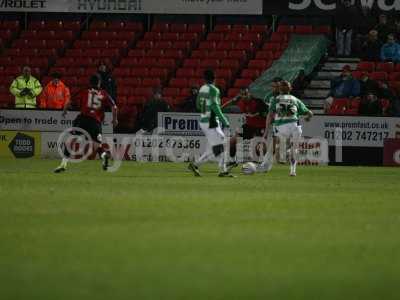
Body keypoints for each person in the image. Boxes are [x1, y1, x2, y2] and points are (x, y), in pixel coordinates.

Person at [54, 74, 118, 173]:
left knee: (70, 141)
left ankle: (63, 165)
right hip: (95, 122)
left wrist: (65, 110)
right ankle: (104, 156)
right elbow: (114, 107)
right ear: (99, 83)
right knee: (97, 146)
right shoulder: (104, 93)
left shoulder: (84, 90)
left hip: (83, 119)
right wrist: (114, 120)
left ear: (90, 82)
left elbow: (70, 101)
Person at [262, 80, 313, 177]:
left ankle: (266, 164)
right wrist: (307, 118)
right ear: (290, 89)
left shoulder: (275, 99)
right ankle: (292, 170)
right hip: (295, 126)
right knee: (294, 149)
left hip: (282, 127)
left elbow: (270, 115)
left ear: (279, 89)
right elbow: (310, 113)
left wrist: (266, 129)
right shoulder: (295, 99)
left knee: (274, 148)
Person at [188, 69, 232, 177]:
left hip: (204, 120)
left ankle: (196, 165)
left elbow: (198, 105)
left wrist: (206, 109)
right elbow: (215, 106)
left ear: (204, 79)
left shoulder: (202, 89)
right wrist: (224, 120)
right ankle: (222, 171)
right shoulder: (214, 90)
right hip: (211, 121)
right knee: (220, 145)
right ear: (214, 79)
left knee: (216, 146)